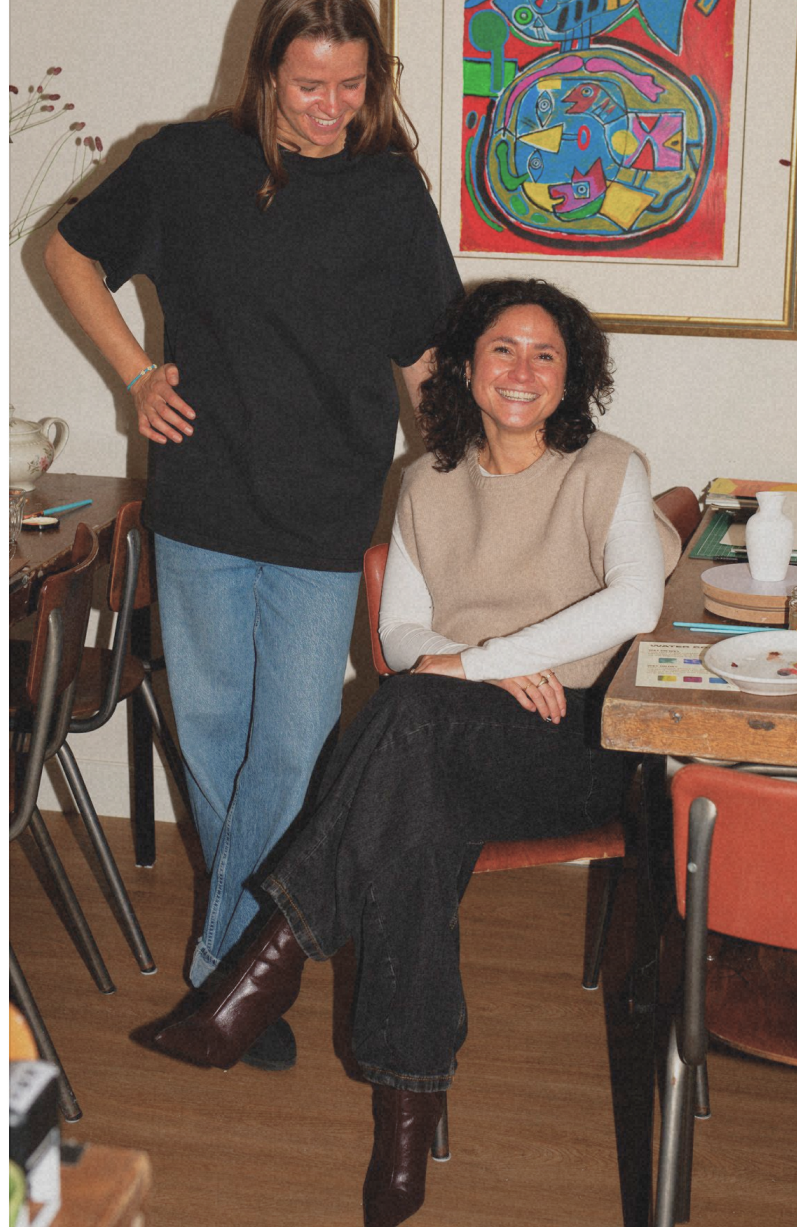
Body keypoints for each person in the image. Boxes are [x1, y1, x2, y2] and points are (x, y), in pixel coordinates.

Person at [147, 278, 681, 1227]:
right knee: (408, 817)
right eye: (502, 350)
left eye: (545, 353)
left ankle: (259, 968)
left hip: (578, 742)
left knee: (405, 725)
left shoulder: (610, 467)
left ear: (573, 375)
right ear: (467, 369)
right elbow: (398, 636)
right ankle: (400, 1127)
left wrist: (479, 663)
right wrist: (465, 676)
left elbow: (633, 607)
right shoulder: (427, 479)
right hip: (441, 738)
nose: (521, 370)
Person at [44, 0, 462, 1071]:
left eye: (351, 85)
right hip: (201, 499)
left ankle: (223, 978)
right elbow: (65, 252)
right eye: (309, 86)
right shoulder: (187, 165)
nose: (330, 108)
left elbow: (425, 354)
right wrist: (136, 374)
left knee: (286, 755)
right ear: (266, 74)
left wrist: (459, 473)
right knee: (218, 739)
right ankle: (244, 981)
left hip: (326, 509)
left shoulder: (387, 190)